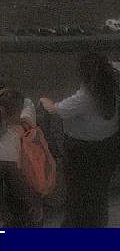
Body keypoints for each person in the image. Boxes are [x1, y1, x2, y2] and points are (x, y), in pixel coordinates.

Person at [39, 52, 119, 227]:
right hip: (109, 146)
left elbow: (55, 110)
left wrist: (44, 101)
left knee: (77, 192)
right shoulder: (111, 85)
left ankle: (75, 227)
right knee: (99, 189)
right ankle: (97, 222)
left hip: (83, 151)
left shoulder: (85, 97)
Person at [0, 89, 40, 227]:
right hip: (35, 185)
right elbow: (28, 102)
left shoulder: (8, 143)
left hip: (22, 197)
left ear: (2, 111)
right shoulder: (27, 120)